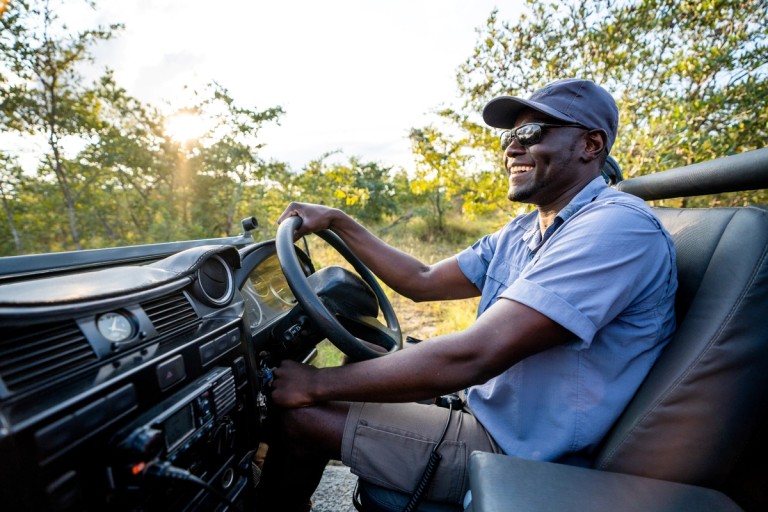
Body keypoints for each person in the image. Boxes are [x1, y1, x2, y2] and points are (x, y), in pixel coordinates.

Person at [259, 78, 678, 510]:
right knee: (365, 352)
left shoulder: (615, 228)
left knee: (297, 416)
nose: (512, 149)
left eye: (532, 134)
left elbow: (475, 354)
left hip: (518, 452)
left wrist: (313, 383)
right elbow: (422, 279)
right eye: (509, 137)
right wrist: (339, 221)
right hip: (484, 407)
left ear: (591, 145)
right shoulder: (523, 230)